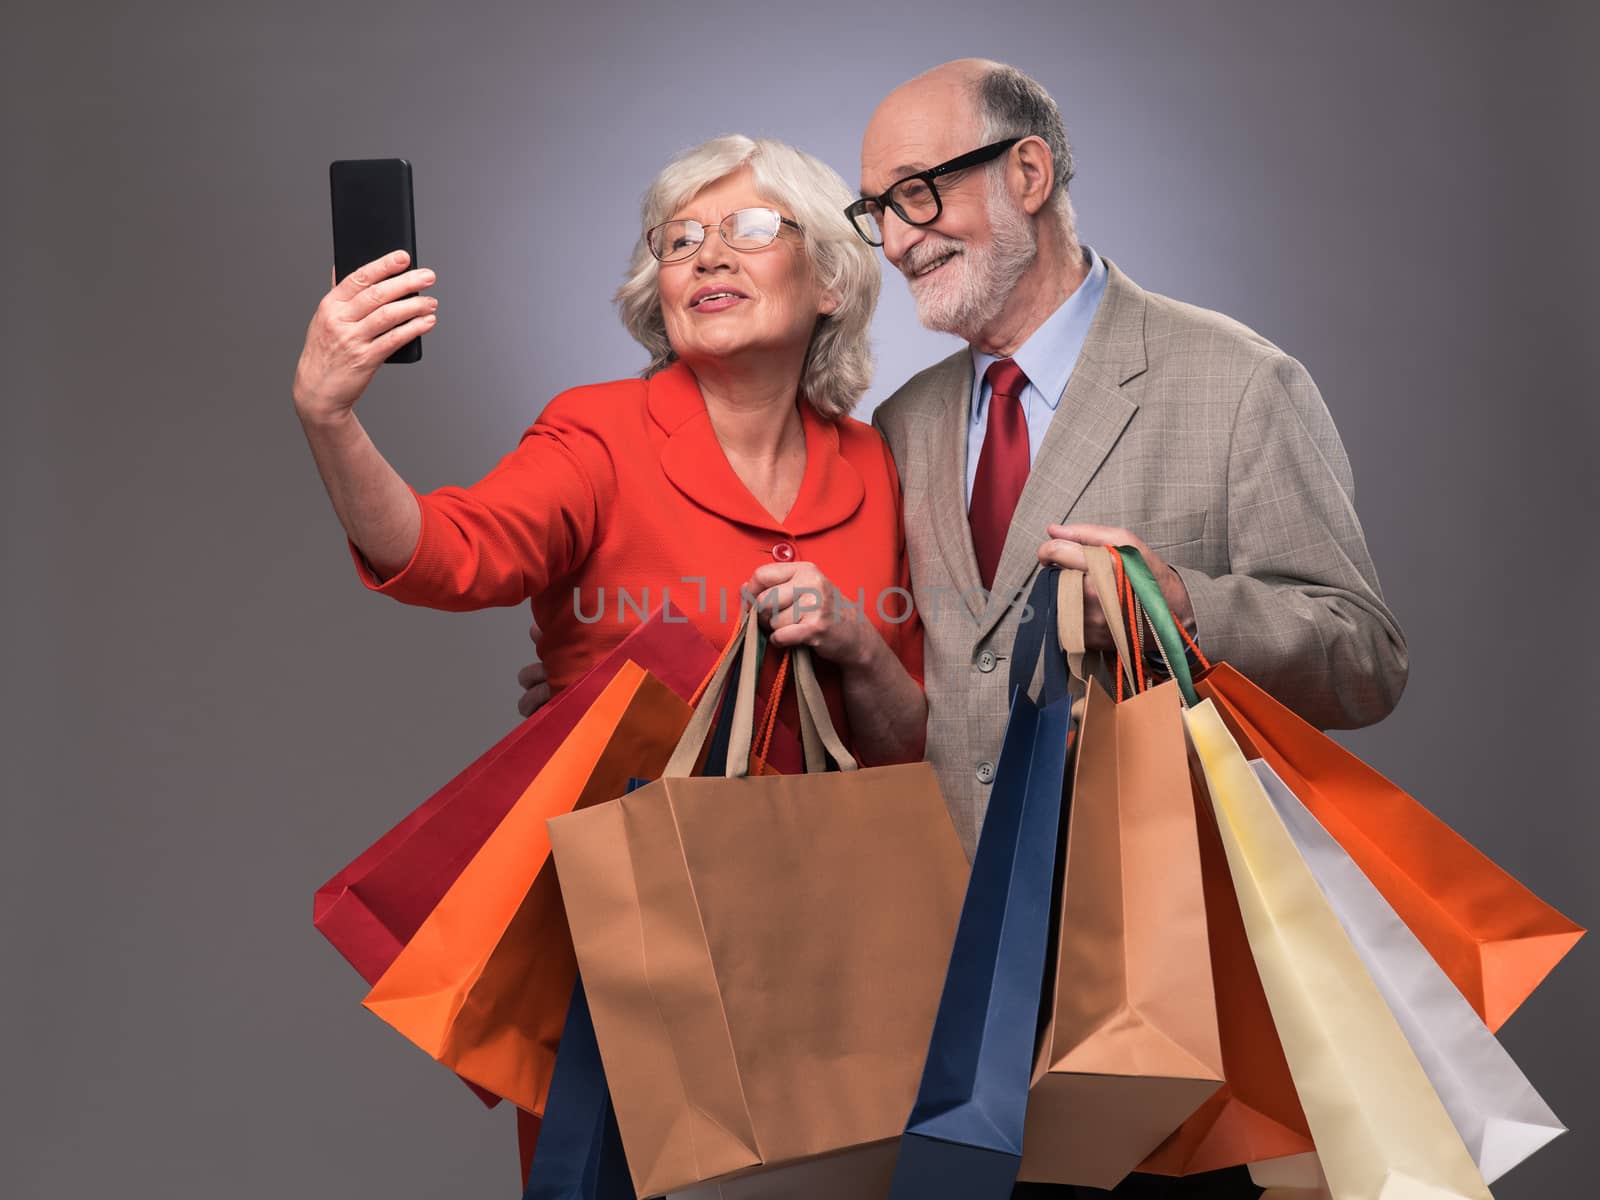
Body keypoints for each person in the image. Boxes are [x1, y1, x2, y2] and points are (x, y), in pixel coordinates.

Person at [851, 59, 1408, 1199]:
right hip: (956, 1008)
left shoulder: (1238, 382)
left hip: (1169, 995)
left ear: (1027, 171)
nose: (899, 240)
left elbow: (1362, 654)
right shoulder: (903, 424)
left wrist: (1190, 603)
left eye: (918, 195)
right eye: (879, 212)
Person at [292, 133, 926, 771]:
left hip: (838, 864)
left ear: (831, 282)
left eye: (751, 229)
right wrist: (329, 416)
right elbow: (447, 554)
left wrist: (860, 645)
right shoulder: (597, 432)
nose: (709, 256)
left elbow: (912, 750)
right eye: (681, 241)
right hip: (639, 863)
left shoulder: (877, 461)